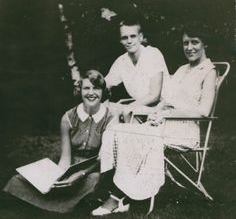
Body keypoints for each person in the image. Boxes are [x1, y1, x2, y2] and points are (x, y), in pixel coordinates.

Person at [91, 23, 217, 216]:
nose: (189, 47)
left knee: (134, 135)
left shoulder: (209, 71)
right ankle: (111, 187)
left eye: (195, 42)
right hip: (164, 124)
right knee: (118, 130)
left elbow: (203, 111)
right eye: (185, 43)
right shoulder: (183, 69)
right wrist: (157, 112)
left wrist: (166, 114)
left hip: (185, 132)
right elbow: (167, 100)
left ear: (205, 44)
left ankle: (116, 198)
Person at [3, 70, 114, 213]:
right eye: (86, 88)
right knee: (18, 180)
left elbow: (103, 158)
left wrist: (79, 175)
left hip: (95, 169)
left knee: (94, 180)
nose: (91, 93)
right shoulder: (68, 117)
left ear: (102, 91)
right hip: (71, 167)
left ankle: (56, 204)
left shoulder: (110, 118)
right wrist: (59, 175)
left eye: (96, 88)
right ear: (79, 90)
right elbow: (65, 158)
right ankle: (64, 202)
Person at [105, 19, 169, 119]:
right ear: (120, 40)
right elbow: (104, 85)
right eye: (125, 38)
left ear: (141, 37)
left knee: (123, 112)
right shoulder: (121, 61)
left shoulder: (152, 54)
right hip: (138, 111)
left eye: (133, 36)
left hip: (162, 110)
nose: (129, 41)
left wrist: (128, 107)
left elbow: (154, 95)